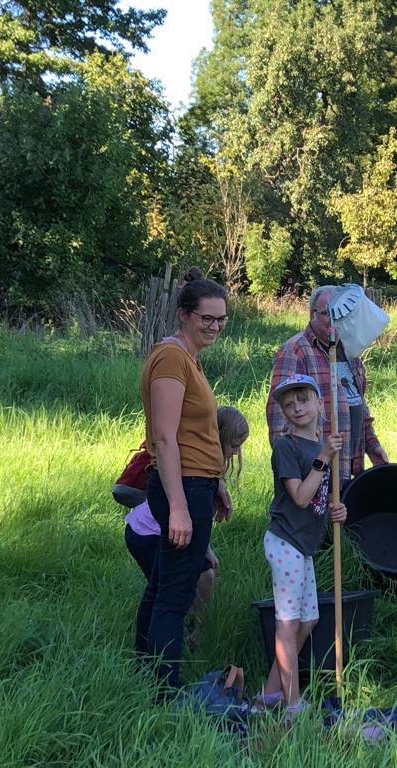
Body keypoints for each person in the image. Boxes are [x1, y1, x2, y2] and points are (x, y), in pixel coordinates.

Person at [136, 267, 233, 691]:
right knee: (176, 595)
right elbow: (164, 436)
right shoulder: (172, 358)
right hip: (181, 486)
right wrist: (178, 506)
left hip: (197, 483)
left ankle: (143, 671)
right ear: (183, 315)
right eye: (206, 318)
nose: (214, 326)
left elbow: (198, 433)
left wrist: (218, 482)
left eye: (220, 319)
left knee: (163, 582)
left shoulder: (189, 358)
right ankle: (164, 690)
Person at [255, 374, 347, 721]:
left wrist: (340, 509)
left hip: (305, 546)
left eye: (303, 400)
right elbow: (301, 496)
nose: (297, 409)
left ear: (319, 402)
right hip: (285, 542)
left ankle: (268, 695)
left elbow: (323, 500)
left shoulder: (322, 444)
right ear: (283, 411)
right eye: (289, 405)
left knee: (309, 620)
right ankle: (292, 704)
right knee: (288, 624)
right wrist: (323, 457)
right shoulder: (287, 447)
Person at [125, 406, 248, 649]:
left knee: (169, 586)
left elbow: (197, 520)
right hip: (147, 533)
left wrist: (205, 548)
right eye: (234, 444)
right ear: (219, 437)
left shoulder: (206, 465)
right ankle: (179, 642)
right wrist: (205, 550)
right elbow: (189, 515)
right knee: (175, 589)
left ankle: (151, 649)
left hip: (147, 530)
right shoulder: (199, 467)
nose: (236, 452)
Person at [266, 286, 388, 484]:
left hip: (346, 467)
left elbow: (359, 404)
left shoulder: (350, 351)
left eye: (339, 314)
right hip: (314, 471)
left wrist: (373, 447)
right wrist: (296, 475)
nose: (333, 320)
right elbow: (278, 418)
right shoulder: (295, 351)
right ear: (312, 314)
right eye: (326, 314)